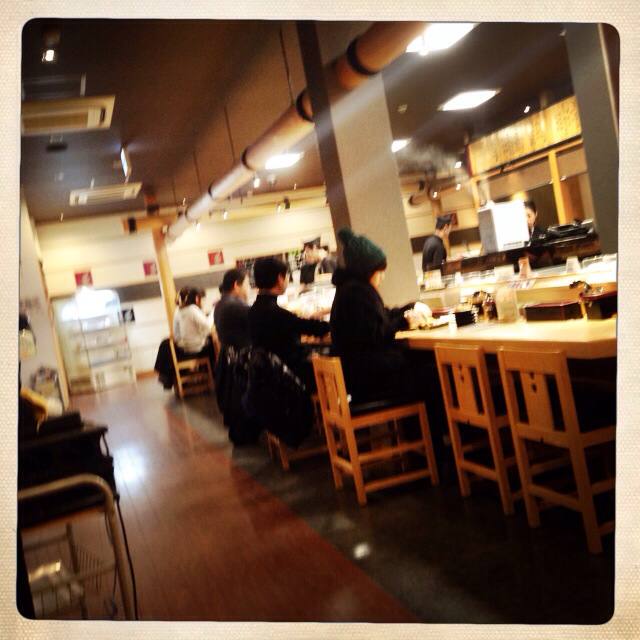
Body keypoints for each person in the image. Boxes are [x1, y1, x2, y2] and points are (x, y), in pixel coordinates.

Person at [330, 226, 432, 406]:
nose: (383, 277)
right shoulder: (358, 293)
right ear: (367, 270)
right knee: (432, 373)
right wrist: (405, 321)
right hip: (371, 380)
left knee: (422, 365)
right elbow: (376, 335)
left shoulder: (349, 289)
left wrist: (410, 307)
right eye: (380, 271)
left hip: (359, 378)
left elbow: (382, 316)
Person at [248, 256, 330, 388]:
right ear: (280, 279)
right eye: (286, 276)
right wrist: (332, 323)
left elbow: (297, 324)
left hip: (270, 379)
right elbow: (312, 328)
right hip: (291, 379)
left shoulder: (253, 311)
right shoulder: (275, 313)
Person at [175, 286, 216, 367]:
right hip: (196, 349)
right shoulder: (193, 309)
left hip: (183, 349)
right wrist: (214, 311)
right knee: (214, 345)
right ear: (197, 298)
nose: (203, 303)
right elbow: (208, 325)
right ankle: (214, 371)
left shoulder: (180, 310)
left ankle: (209, 370)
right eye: (203, 300)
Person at [214, 269, 251, 351]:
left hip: (228, 355)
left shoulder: (220, 304)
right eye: (247, 284)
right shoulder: (235, 305)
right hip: (241, 356)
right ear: (236, 285)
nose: (250, 288)